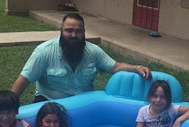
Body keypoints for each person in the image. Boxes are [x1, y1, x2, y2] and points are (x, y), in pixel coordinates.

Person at [11, 12, 151, 102]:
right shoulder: (44, 52)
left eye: (78, 31)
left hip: (82, 104)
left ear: (83, 32)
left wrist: (137, 67)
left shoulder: (93, 51)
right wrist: (6, 105)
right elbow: (24, 80)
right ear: (61, 31)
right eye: (69, 30)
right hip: (50, 103)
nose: (73, 35)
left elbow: (115, 66)